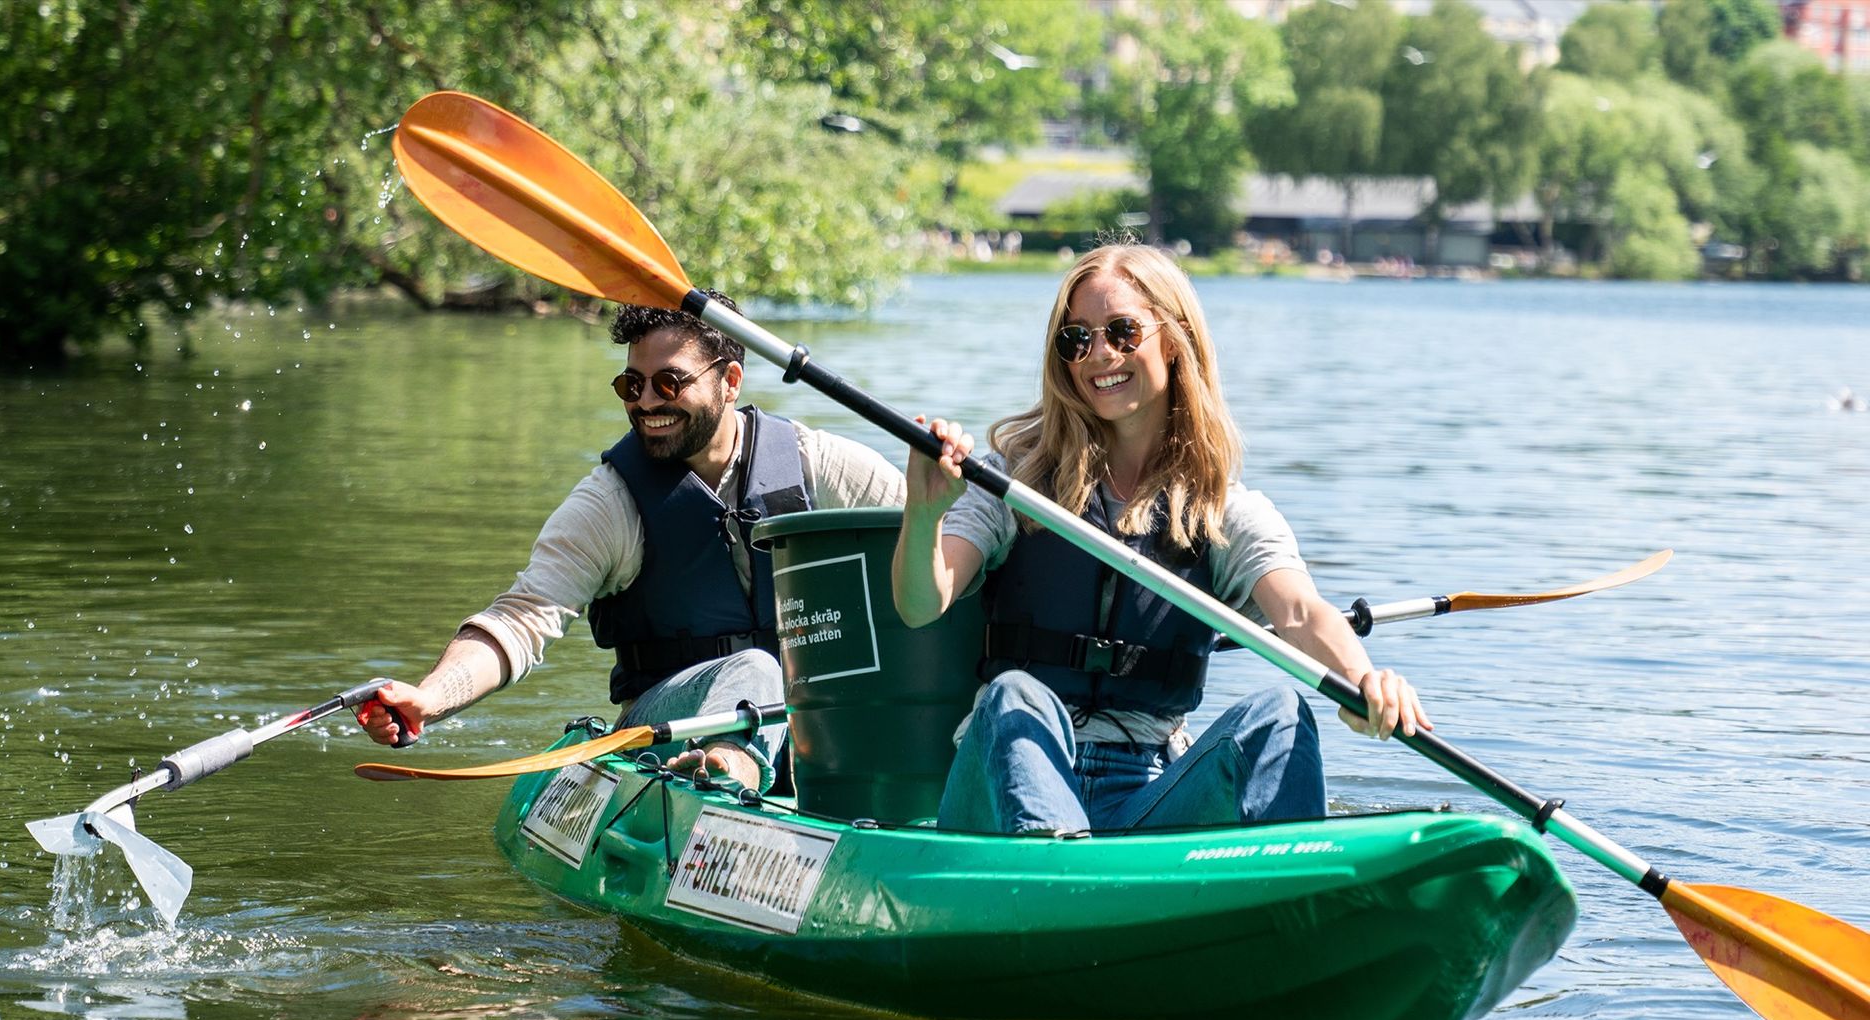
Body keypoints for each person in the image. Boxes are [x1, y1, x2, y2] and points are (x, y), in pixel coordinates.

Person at [891, 244, 1429, 835]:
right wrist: (925, 513)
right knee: (1015, 694)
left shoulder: (1222, 509)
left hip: (1144, 791)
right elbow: (919, 603)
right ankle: (1060, 871)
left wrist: (1363, 680)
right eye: (1077, 339)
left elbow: (1300, 612)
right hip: (1009, 775)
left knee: (1279, 715)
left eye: (1123, 332)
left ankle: (1295, 881)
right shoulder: (1011, 481)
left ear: (1173, 339)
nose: (1100, 354)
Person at [358, 291, 906, 790]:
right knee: (757, 668)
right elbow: (522, 618)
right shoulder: (610, 503)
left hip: (815, 720)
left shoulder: (818, 465)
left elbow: (934, 544)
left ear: (730, 382)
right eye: (631, 385)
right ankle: (724, 772)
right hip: (665, 728)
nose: (645, 403)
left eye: (669, 383)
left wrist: (938, 485)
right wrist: (432, 698)